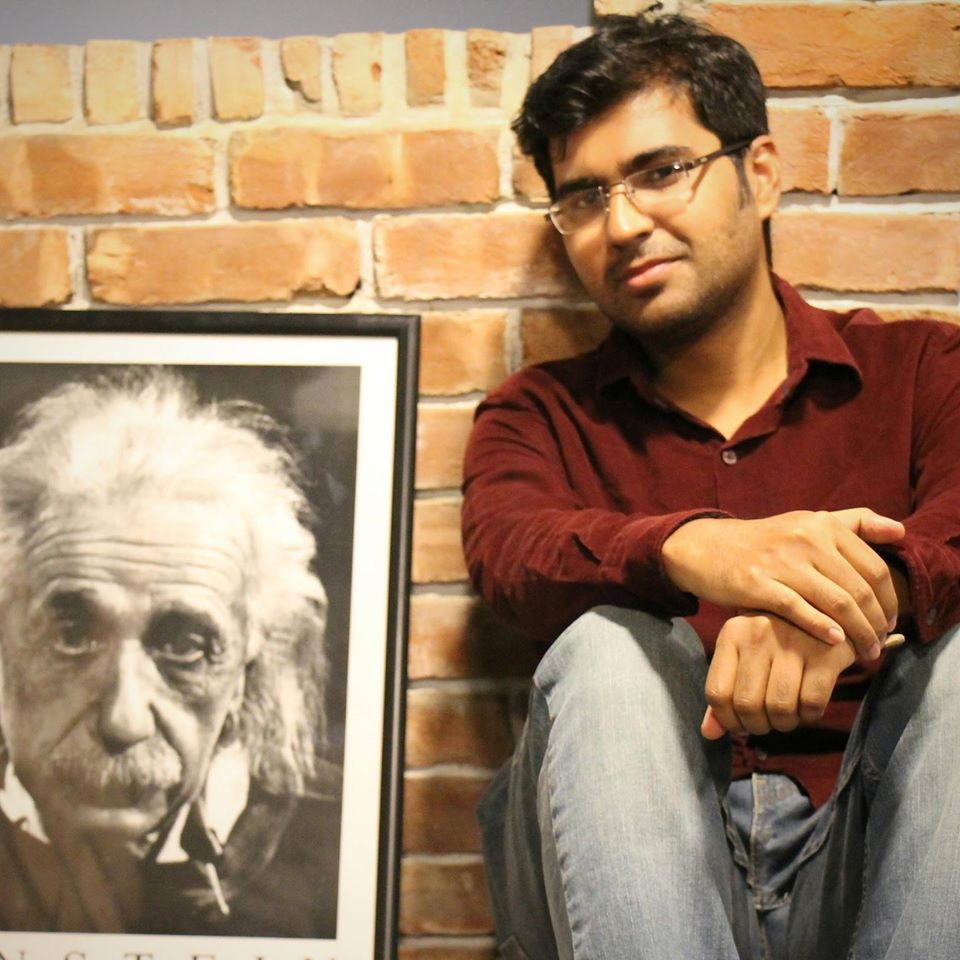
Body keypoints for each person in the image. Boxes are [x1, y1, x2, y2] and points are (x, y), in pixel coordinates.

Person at [461, 14, 960, 960]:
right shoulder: (537, 416)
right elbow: (510, 553)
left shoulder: (924, 371)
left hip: (882, 848)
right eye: (583, 197)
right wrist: (698, 549)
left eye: (660, 171)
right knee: (606, 651)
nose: (621, 224)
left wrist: (845, 605)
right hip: (615, 866)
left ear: (759, 173)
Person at [0, 370, 340, 936]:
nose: (124, 721)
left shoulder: (340, 853)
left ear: (245, 672)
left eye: (185, 646)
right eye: (71, 636)